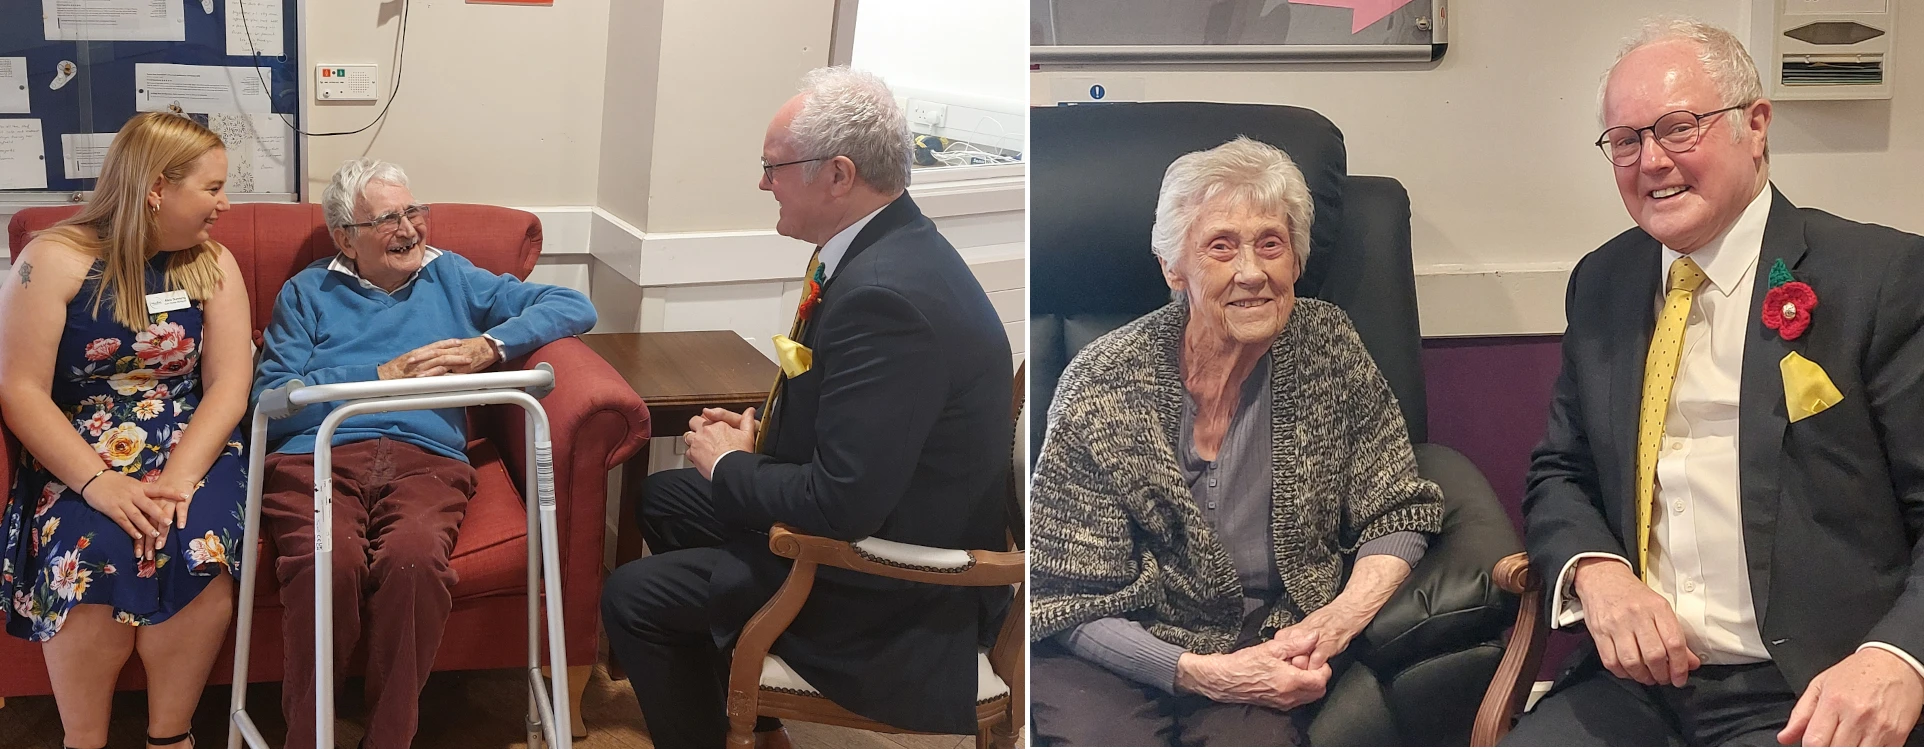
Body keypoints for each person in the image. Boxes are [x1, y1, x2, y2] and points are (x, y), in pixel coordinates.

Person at [1511, 18, 1924, 747]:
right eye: (1627, 141)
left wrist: (1898, 658)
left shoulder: (1880, 280)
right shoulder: (1603, 282)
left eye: (1678, 128)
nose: (1651, 162)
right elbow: (1560, 471)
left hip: (1812, 688)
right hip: (1635, 687)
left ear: (1755, 126)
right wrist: (1597, 573)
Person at [599, 67, 1013, 749]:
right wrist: (760, 439)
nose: (764, 184)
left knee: (632, 597)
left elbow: (846, 502)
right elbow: (864, 424)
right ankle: (754, 715)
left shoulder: (888, 299)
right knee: (666, 497)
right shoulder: (883, 248)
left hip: (891, 591)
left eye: (773, 167)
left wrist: (733, 464)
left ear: (839, 175)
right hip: (891, 512)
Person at [1026, 136, 1443, 747]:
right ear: (1174, 268)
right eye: (1221, 247)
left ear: (1295, 259)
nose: (1252, 272)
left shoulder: (1329, 348)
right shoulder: (1103, 381)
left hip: (1273, 641)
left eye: (1270, 244)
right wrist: (1201, 674)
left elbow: (1397, 510)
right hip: (1116, 649)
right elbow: (1068, 594)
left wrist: (1333, 623)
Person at [251, 158, 596, 749]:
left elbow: (572, 305)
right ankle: (309, 739)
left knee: (414, 563)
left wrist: (491, 345)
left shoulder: (453, 276)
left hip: (425, 455)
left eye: (414, 211)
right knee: (326, 565)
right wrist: (378, 374)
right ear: (345, 239)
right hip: (319, 452)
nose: (410, 229)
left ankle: (389, 738)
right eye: (388, 218)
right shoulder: (308, 291)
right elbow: (271, 399)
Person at [0, 112, 250, 749]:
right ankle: (83, 739)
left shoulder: (212, 263)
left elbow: (228, 384)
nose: (225, 204)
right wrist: (98, 483)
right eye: (213, 188)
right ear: (157, 188)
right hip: (78, 449)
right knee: (91, 550)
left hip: (190, 446)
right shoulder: (53, 259)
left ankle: (171, 736)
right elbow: (21, 389)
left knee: (195, 546)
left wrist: (176, 482)